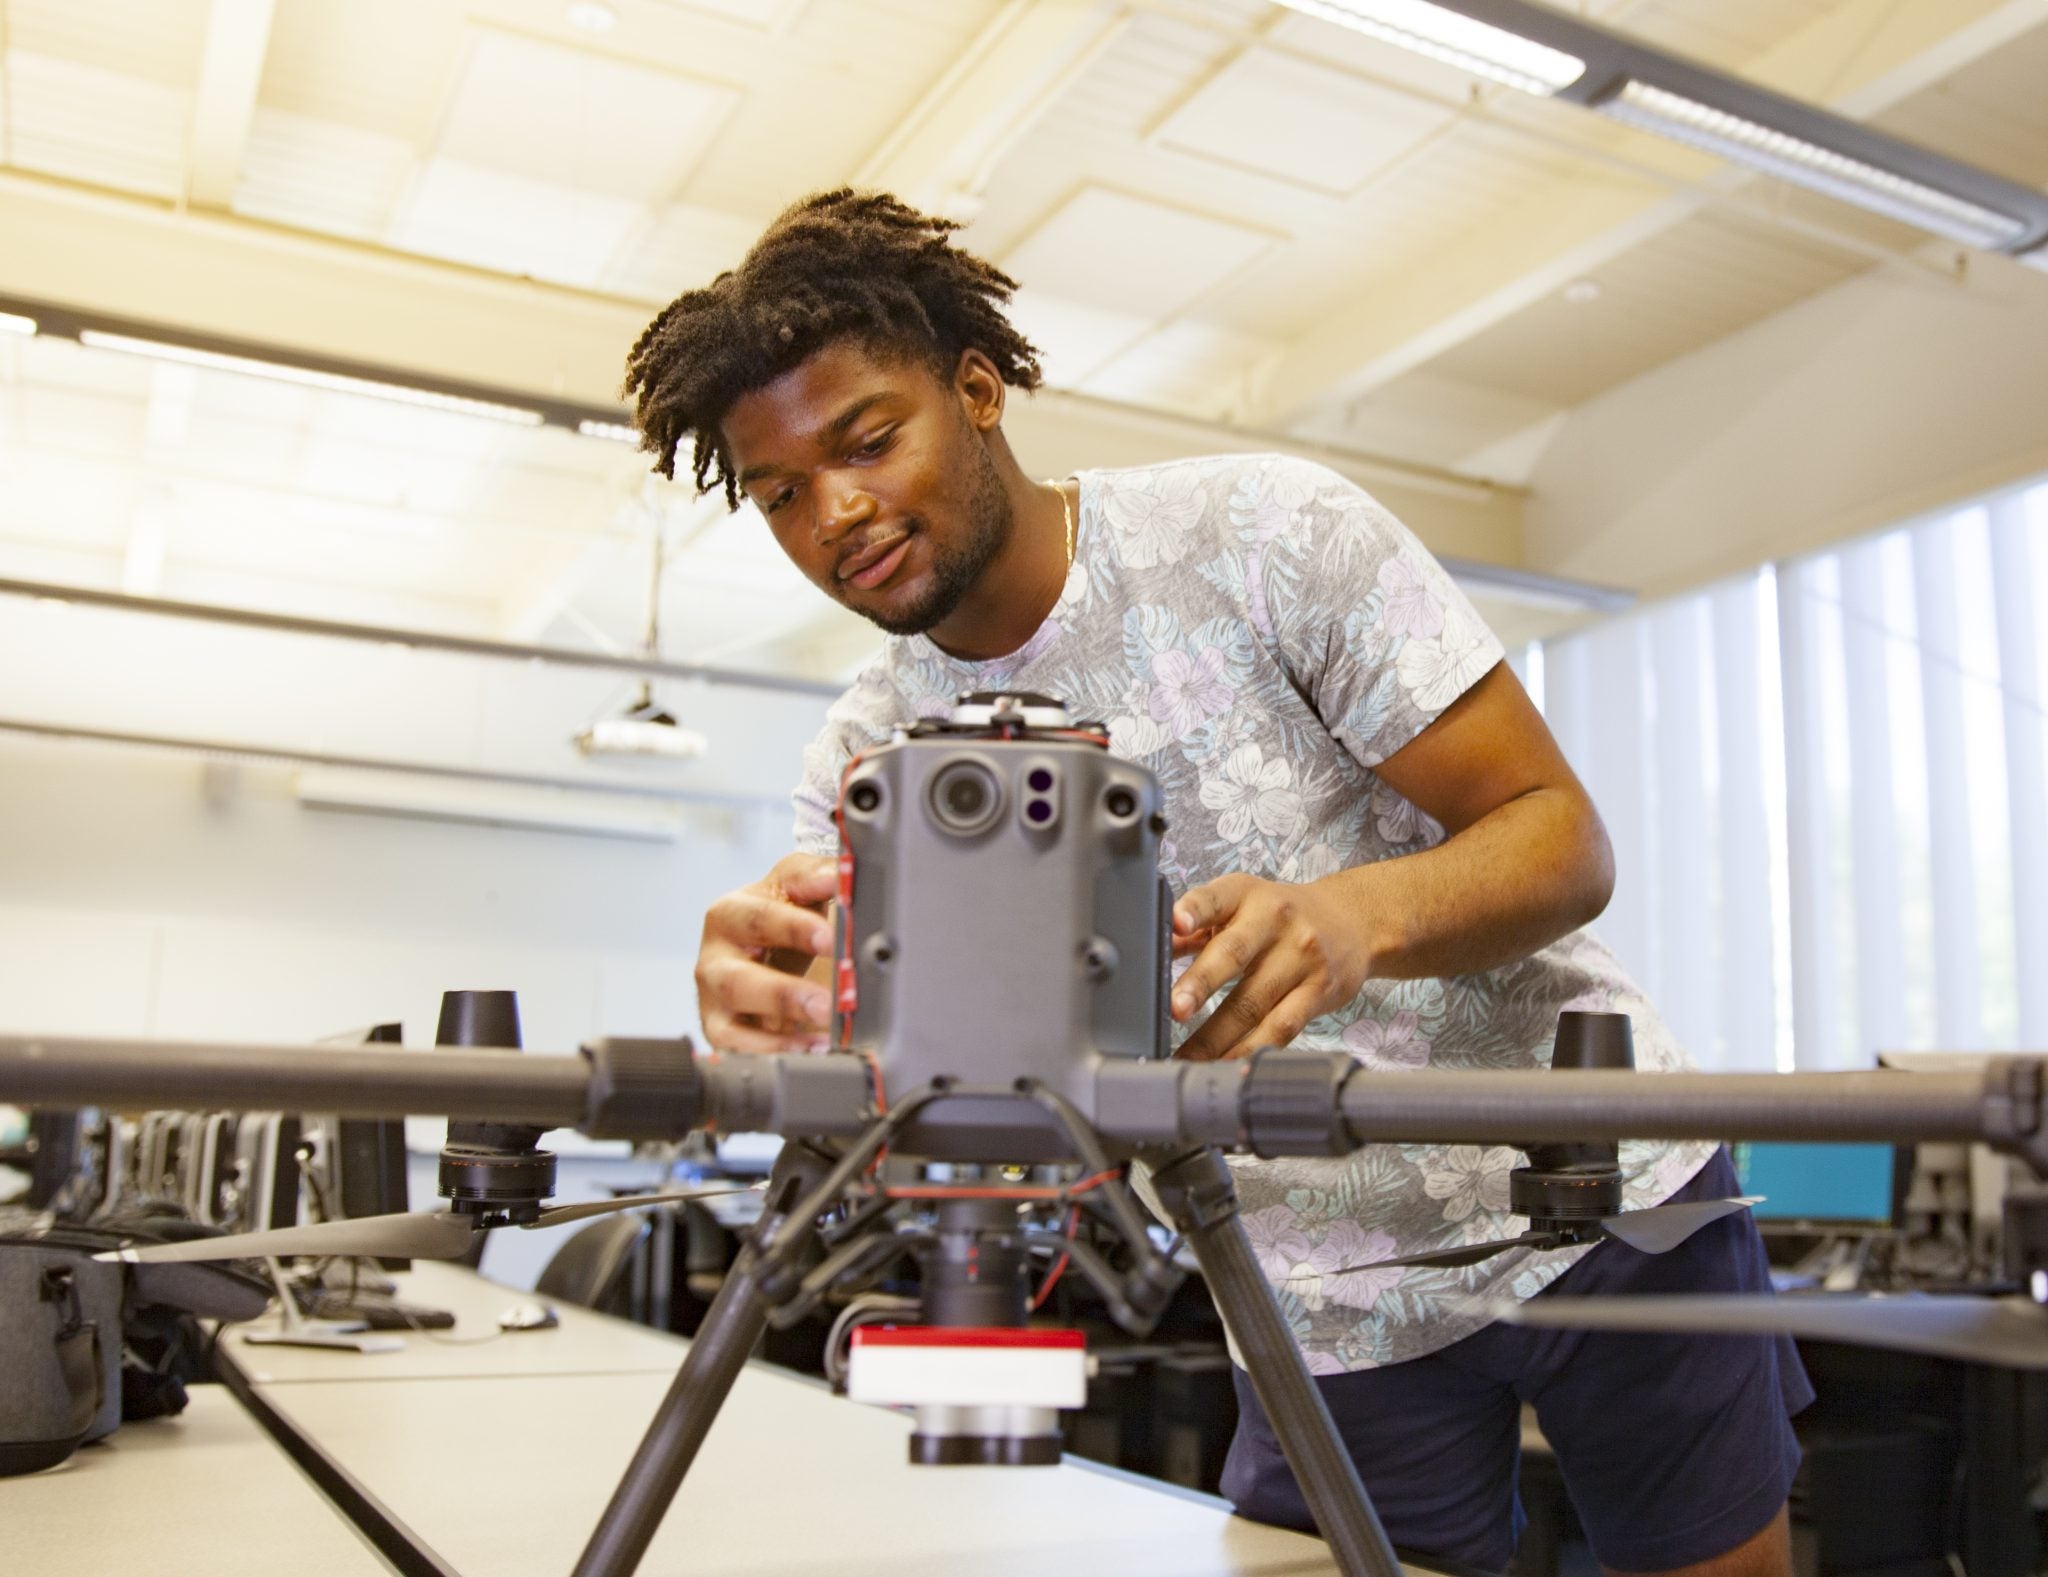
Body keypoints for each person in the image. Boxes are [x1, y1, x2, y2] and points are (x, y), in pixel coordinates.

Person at [627, 188, 1810, 1575]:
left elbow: (1563, 837)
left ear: (979, 386)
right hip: (1313, 1292)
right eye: (778, 493)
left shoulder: (1263, 537)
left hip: (1602, 1189)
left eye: (868, 440)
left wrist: (1349, 918)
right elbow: (924, 1080)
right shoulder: (868, 765)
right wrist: (783, 1020)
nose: (835, 509)